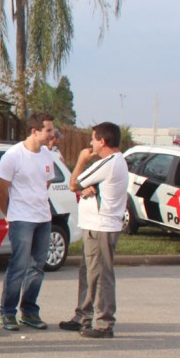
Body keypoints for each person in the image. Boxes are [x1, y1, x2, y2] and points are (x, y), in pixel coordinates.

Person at [59, 122, 128, 338]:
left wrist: (81, 160)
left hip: (101, 227)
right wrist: (87, 187)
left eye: (94, 139)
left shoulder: (109, 162)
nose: (91, 143)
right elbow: (84, 185)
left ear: (103, 141)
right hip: (95, 226)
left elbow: (74, 183)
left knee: (100, 274)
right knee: (88, 272)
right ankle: (84, 316)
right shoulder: (114, 163)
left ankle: (103, 323)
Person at [0, 113, 57, 331]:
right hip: (21, 218)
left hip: (43, 218)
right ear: (35, 131)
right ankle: (8, 313)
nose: (52, 134)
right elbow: (1, 189)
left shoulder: (47, 155)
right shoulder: (13, 156)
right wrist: (8, 214)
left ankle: (29, 311)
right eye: (48, 130)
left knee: (37, 267)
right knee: (18, 266)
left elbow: (45, 183)